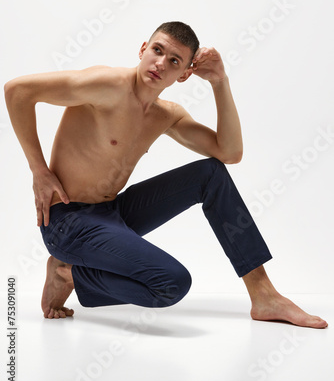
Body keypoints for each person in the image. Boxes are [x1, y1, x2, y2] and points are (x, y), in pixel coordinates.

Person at [4, 21, 327, 328]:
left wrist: (219, 81)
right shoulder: (105, 85)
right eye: (157, 50)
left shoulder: (166, 115)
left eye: (174, 60)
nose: (160, 63)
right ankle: (68, 272)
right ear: (143, 48)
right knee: (171, 284)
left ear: (185, 74)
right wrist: (39, 170)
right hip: (67, 221)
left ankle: (264, 295)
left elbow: (230, 153)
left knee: (211, 174)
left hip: (112, 213)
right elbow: (17, 91)